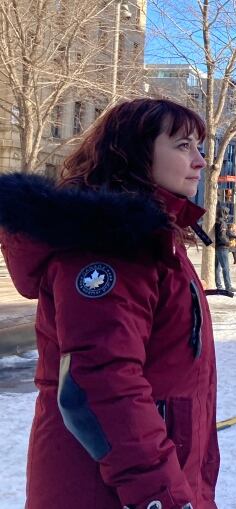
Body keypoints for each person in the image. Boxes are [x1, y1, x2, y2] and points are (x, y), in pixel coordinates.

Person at [0, 98, 219, 508]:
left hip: (154, 475)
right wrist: (161, 497)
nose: (200, 161)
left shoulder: (155, 240)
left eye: (199, 147)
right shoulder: (109, 245)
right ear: (135, 152)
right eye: (182, 145)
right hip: (104, 490)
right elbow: (100, 384)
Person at [214, 205, 236, 291]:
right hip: (222, 247)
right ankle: (228, 287)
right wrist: (228, 243)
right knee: (225, 268)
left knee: (217, 268)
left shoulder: (217, 221)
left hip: (217, 246)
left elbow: (226, 233)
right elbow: (222, 235)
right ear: (224, 213)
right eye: (227, 213)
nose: (228, 215)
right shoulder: (222, 223)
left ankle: (219, 286)